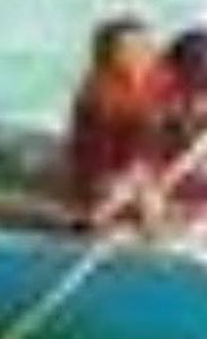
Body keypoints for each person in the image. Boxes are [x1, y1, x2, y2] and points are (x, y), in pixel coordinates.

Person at [64, 14, 175, 226]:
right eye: (130, 49)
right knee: (139, 200)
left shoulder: (159, 79)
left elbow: (178, 115)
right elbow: (93, 162)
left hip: (153, 171)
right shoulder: (99, 97)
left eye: (145, 47)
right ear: (110, 55)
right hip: (108, 178)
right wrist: (129, 182)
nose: (142, 54)